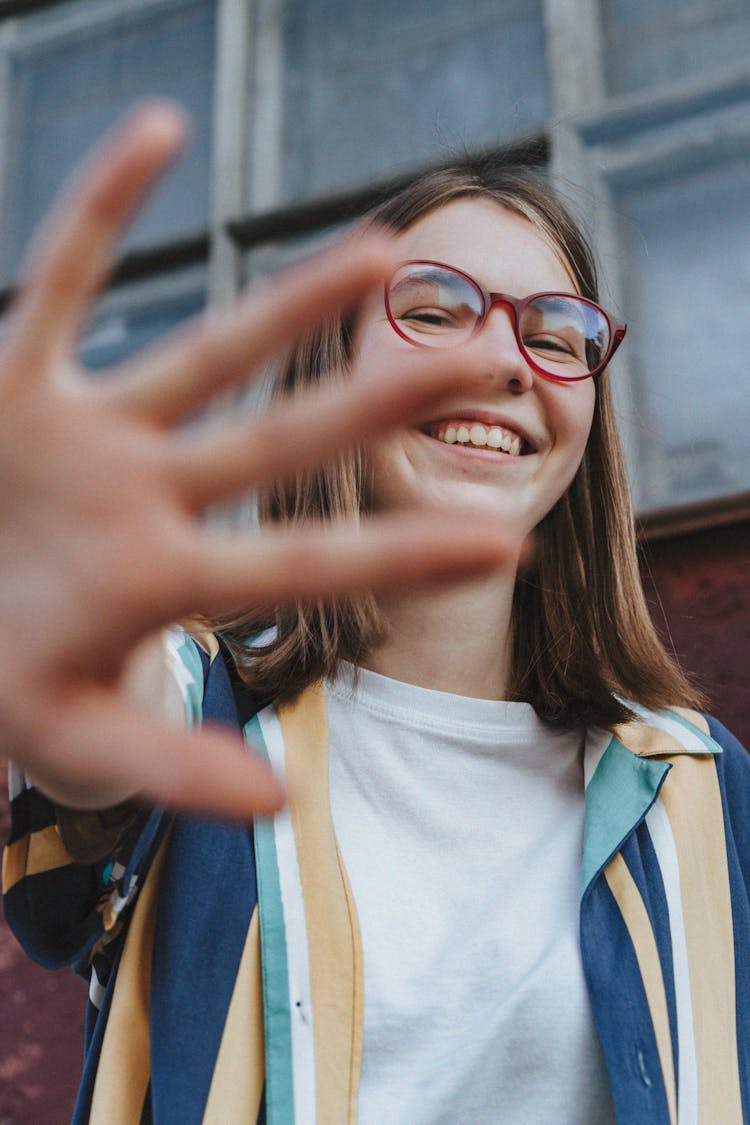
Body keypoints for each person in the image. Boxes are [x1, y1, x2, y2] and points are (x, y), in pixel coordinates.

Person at [3, 103, 750, 1125]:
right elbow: (93, 715)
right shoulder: (200, 709)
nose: (503, 361)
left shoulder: (702, 786)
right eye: (435, 311)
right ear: (331, 372)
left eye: (556, 333)